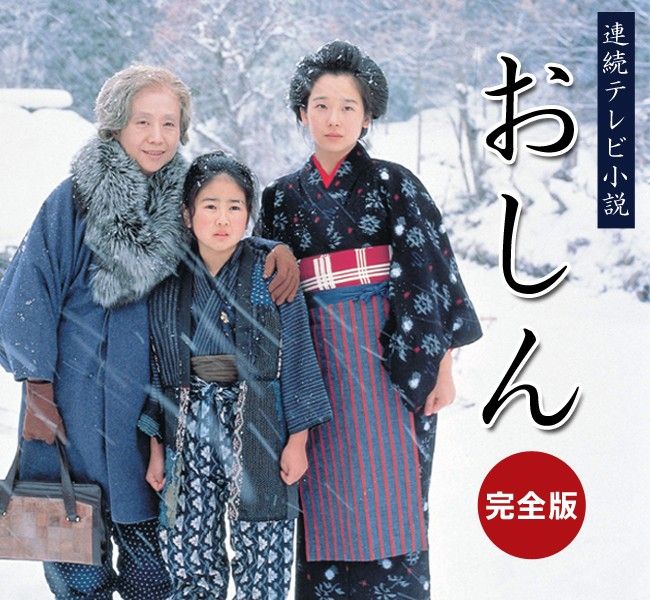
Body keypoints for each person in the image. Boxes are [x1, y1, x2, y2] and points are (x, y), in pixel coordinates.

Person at [0, 65, 298, 600]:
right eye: (143, 122)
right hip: (72, 397)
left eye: (169, 122)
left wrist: (270, 249)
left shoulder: (180, 201)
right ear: (116, 125)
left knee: (153, 563)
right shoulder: (72, 200)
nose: (157, 136)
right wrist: (37, 388)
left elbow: (220, 237)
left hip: (151, 402)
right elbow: (29, 293)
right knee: (74, 553)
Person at [255, 41, 483, 599]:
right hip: (318, 371)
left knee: (395, 501)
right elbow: (270, 294)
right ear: (302, 111)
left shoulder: (395, 185)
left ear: (369, 114)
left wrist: (443, 370)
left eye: (348, 106)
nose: (334, 118)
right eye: (321, 104)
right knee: (321, 499)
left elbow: (432, 277)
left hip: (391, 367)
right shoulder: (280, 198)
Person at [138, 151, 331, 599]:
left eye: (234, 207)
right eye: (210, 205)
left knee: (263, 544)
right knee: (187, 543)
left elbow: (298, 352)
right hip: (185, 417)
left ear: (249, 215)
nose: (222, 219)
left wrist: (298, 439)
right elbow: (154, 364)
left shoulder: (269, 269)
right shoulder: (168, 278)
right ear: (187, 214)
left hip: (259, 416)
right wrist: (155, 446)